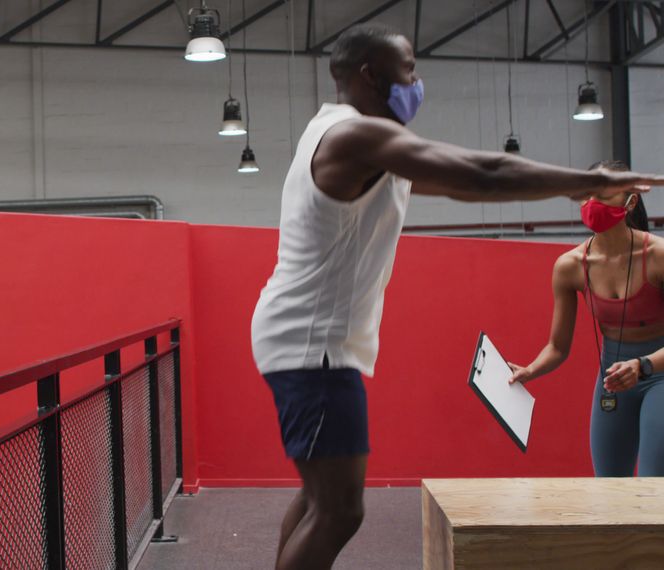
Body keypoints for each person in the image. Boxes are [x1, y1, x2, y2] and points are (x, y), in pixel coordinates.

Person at [250, 24, 664, 570]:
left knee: (317, 497)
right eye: (409, 71)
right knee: (340, 510)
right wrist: (584, 182)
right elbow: (482, 173)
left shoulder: (348, 137)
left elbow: (459, 179)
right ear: (371, 77)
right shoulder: (358, 137)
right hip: (313, 346)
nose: (417, 83)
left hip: (307, 341)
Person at [509, 160, 664, 478]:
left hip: (659, 373)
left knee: (654, 488)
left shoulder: (658, 257)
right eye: (586, 193)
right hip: (613, 378)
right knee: (608, 488)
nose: (591, 203)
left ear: (630, 200)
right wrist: (530, 370)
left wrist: (643, 365)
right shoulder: (570, 266)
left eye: (602, 194)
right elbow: (557, 346)